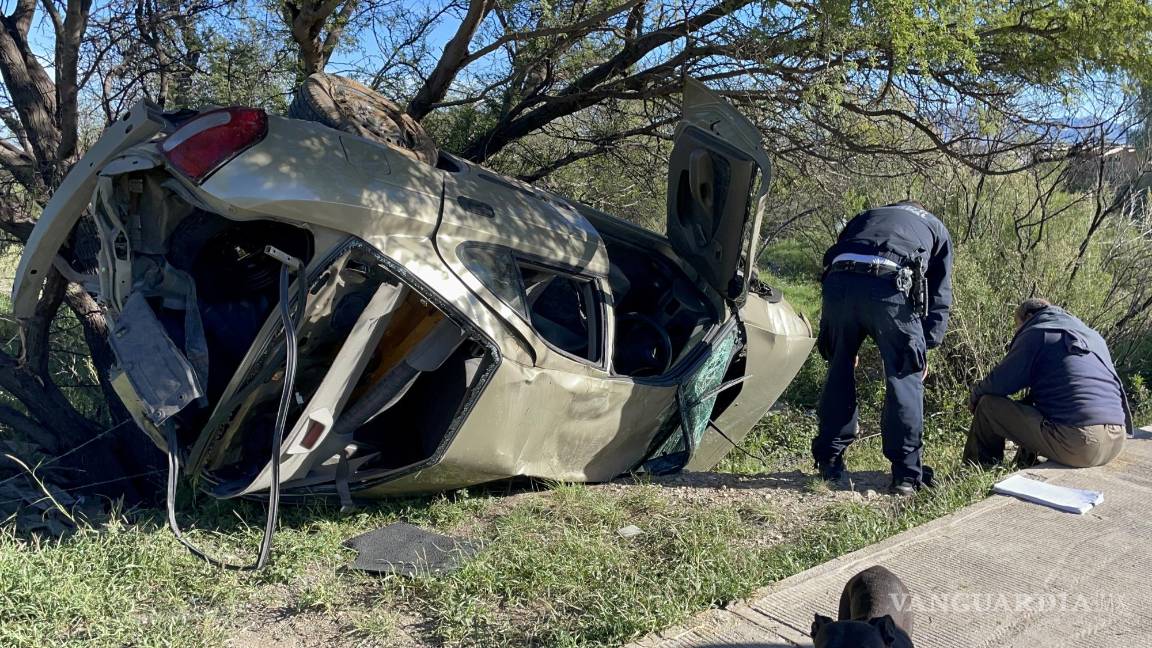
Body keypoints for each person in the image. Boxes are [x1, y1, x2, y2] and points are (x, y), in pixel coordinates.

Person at [813, 199, 953, 496]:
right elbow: (939, 293)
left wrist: (839, 339)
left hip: (838, 285)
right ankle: (905, 475)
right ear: (920, 209)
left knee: (839, 369)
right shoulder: (935, 226)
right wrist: (925, 345)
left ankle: (828, 461)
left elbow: (839, 260)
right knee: (903, 378)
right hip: (890, 285)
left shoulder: (866, 216)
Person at [965, 298, 1132, 469]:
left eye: (1017, 325)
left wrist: (974, 397)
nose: (1017, 331)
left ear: (1028, 317)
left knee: (987, 406)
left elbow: (999, 383)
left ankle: (978, 468)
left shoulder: (1037, 332)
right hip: (1116, 439)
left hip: (1082, 444)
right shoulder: (1092, 336)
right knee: (1034, 404)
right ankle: (1024, 463)